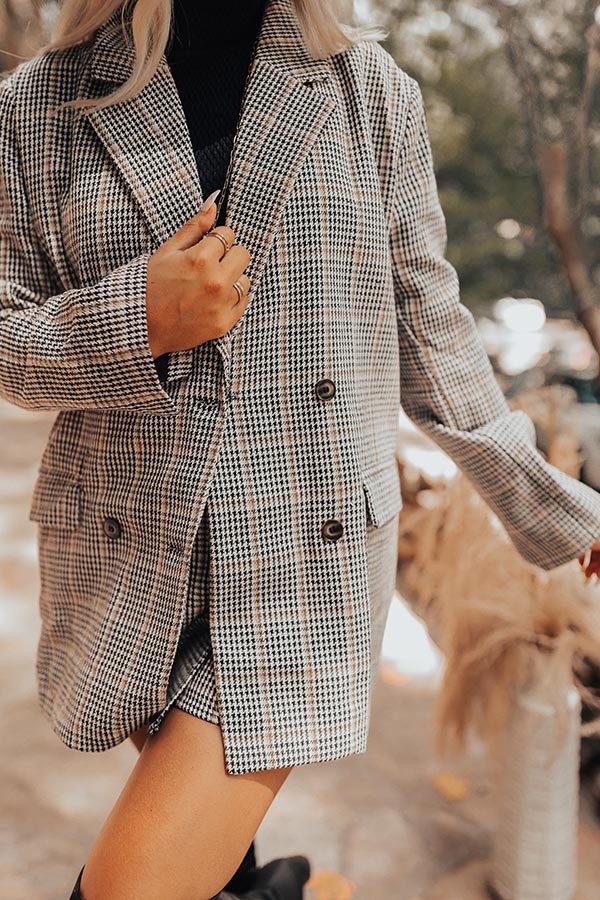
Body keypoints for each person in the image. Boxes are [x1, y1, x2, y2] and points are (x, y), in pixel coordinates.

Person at [2, 1, 600, 898]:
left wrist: (557, 507)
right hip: (126, 554)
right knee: (197, 848)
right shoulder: (38, 104)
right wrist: (139, 319)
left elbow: (432, 332)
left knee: (133, 884)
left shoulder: (369, 92)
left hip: (302, 558)